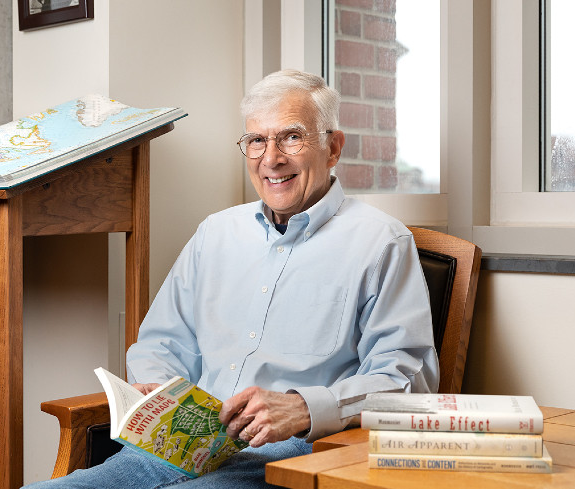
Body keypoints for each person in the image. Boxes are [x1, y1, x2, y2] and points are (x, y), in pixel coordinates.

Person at [23, 69, 439, 489]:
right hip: (173, 449)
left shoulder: (381, 242)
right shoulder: (215, 233)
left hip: (288, 459)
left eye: (291, 137)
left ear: (333, 147)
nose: (271, 158)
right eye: (256, 141)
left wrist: (303, 408)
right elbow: (163, 341)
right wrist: (155, 387)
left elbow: (409, 382)